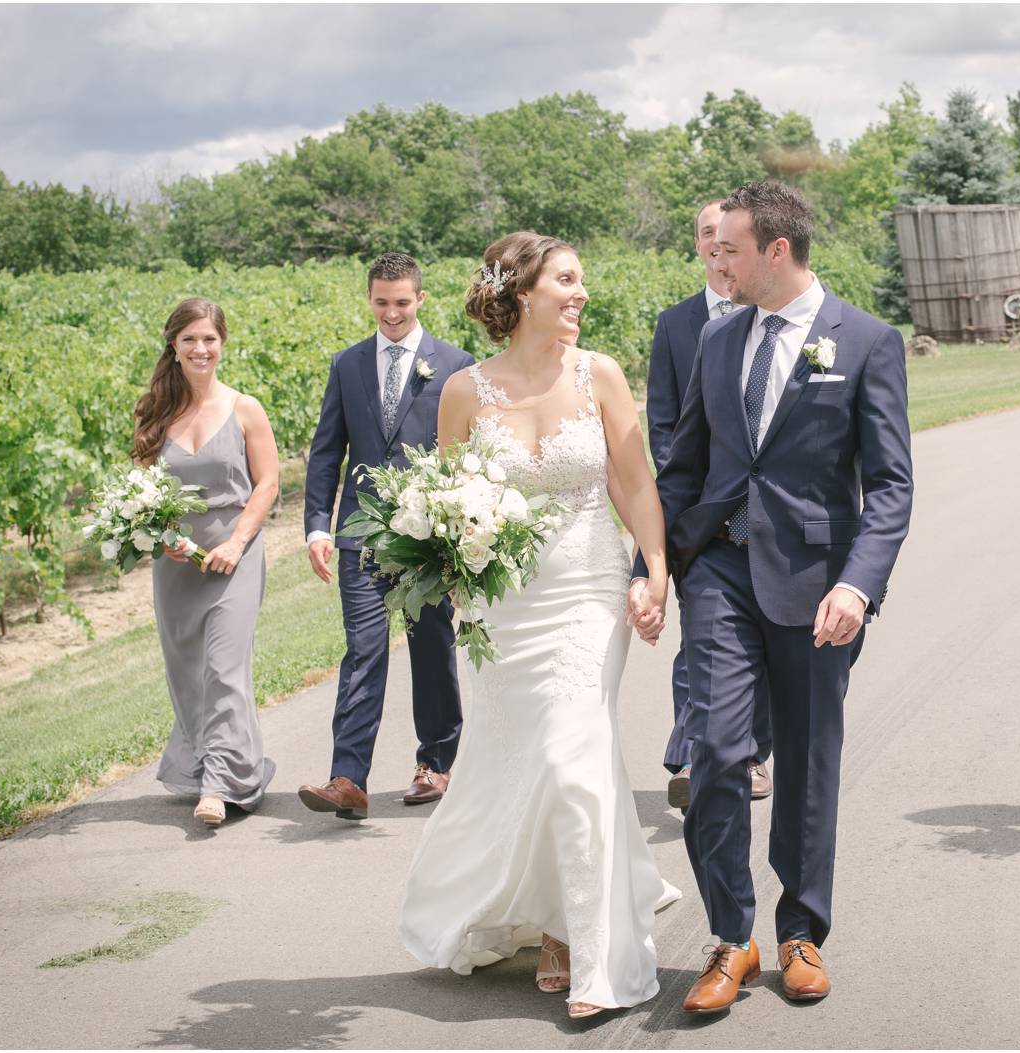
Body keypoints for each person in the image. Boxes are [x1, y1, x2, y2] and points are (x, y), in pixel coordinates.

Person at [634, 181, 913, 1014]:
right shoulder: (717, 345)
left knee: (807, 758)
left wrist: (859, 585)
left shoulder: (865, 341)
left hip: (818, 584)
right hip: (719, 570)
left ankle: (801, 932)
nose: (721, 259)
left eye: (735, 247)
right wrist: (648, 571)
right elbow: (683, 469)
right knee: (717, 751)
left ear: (777, 252)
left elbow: (892, 485)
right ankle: (732, 934)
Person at [400, 232, 680, 1021]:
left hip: (588, 590)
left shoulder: (602, 377)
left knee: (569, 755)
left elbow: (634, 481)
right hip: (499, 609)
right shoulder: (464, 391)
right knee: (518, 760)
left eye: (581, 279)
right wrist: (451, 571)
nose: (581, 292)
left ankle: (595, 953)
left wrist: (653, 570)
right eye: (567, 279)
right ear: (523, 292)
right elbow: (444, 504)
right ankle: (551, 921)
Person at [299, 253, 474, 820]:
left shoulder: (454, 364)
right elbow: (327, 451)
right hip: (361, 536)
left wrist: (460, 540)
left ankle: (435, 763)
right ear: (369, 299)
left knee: (431, 649)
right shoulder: (347, 365)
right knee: (364, 650)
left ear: (420, 299)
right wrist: (316, 528)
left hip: (428, 537)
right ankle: (348, 777)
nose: (392, 312)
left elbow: (466, 458)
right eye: (381, 302)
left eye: (402, 302)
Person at [647, 197, 772, 810]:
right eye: (706, 236)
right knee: (702, 643)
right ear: (700, 244)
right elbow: (666, 424)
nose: (717, 247)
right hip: (703, 514)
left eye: (726, 237)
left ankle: (747, 751)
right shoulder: (676, 324)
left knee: (765, 638)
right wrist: (683, 507)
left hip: (771, 517)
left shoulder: (774, 311)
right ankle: (699, 757)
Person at [134, 298, 278, 827]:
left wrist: (237, 542)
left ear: (223, 344)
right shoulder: (153, 412)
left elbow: (268, 483)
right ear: (174, 345)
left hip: (233, 556)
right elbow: (143, 493)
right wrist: (164, 538)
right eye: (190, 339)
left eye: (209, 339)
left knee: (224, 667)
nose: (201, 348)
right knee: (187, 671)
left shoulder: (245, 408)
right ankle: (204, 766)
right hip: (176, 564)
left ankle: (221, 783)